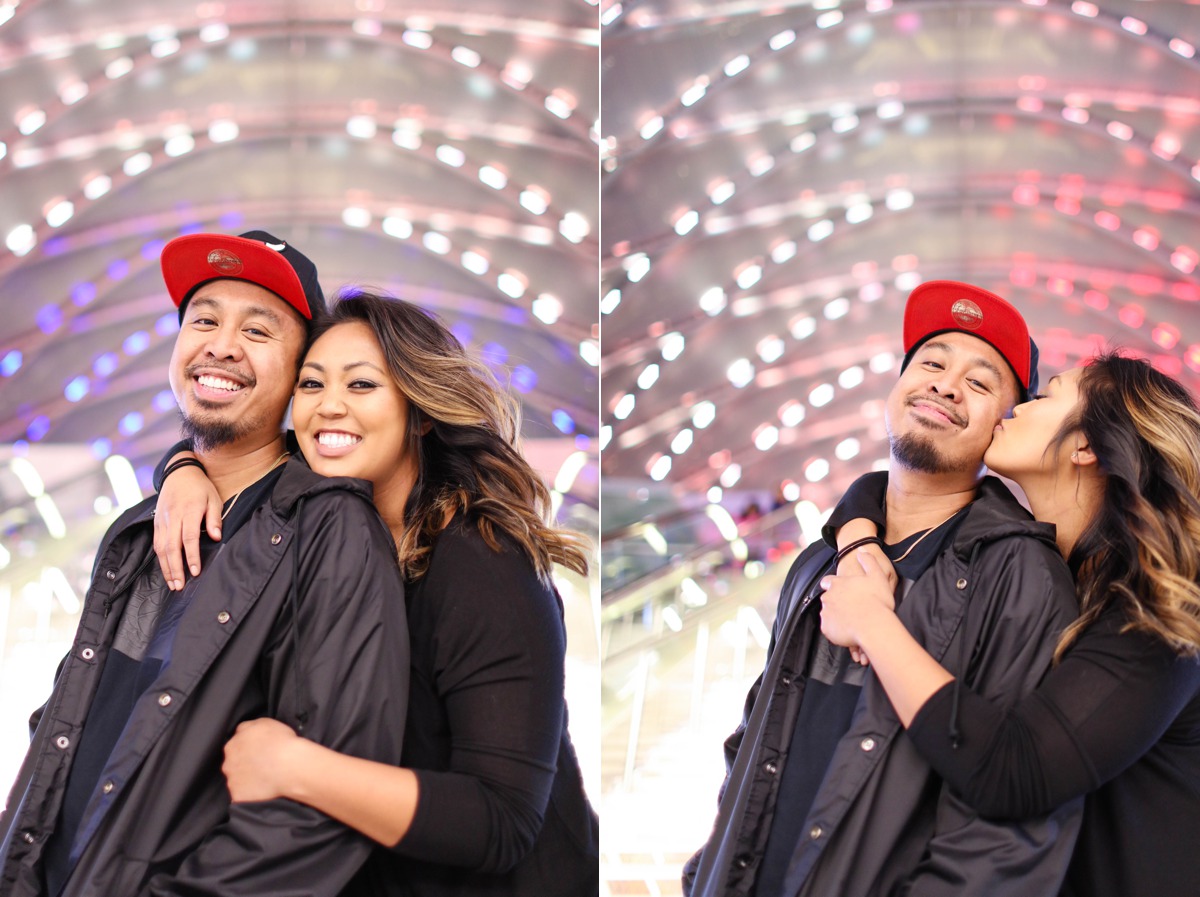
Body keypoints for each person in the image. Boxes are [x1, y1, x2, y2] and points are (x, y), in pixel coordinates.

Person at [0, 231, 411, 897]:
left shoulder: (330, 532)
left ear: (302, 372)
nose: (221, 343)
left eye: (258, 329)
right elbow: (74, 722)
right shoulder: (138, 530)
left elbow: (321, 808)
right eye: (204, 318)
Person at [152, 289, 599, 896]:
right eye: (310, 386)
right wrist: (181, 468)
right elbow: (232, 446)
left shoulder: (482, 565)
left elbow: (502, 820)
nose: (329, 408)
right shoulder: (308, 543)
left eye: (361, 386)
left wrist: (297, 769)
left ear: (420, 410)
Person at [683, 280, 1083, 897]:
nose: (946, 385)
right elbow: (756, 738)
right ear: (896, 387)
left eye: (980, 384)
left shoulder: (1021, 577)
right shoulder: (821, 561)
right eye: (931, 363)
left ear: (1002, 432)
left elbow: (1008, 837)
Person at [819, 352, 1200, 897]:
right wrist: (858, 529)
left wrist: (875, 625)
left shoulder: (1160, 615)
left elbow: (1014, 770)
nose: (1017, 408)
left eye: (1044, 398)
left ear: (1086, 445)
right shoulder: (1052, 573)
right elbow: (888, 490)